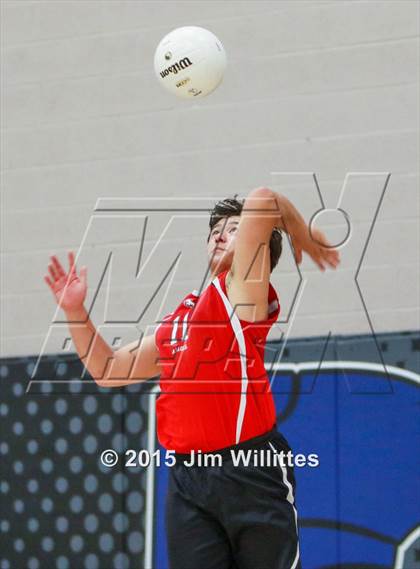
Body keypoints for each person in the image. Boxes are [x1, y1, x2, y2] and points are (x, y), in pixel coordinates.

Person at [45, 187, 340, 569]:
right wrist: (75, 311)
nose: (219, 234)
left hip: (250, 469)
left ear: (259, 248)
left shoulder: (242, 293)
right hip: (189, 478)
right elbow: (108, 369)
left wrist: (300, 233)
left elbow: (264, 199)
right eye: (215, 230)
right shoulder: (181, 318)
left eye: (234, 228)